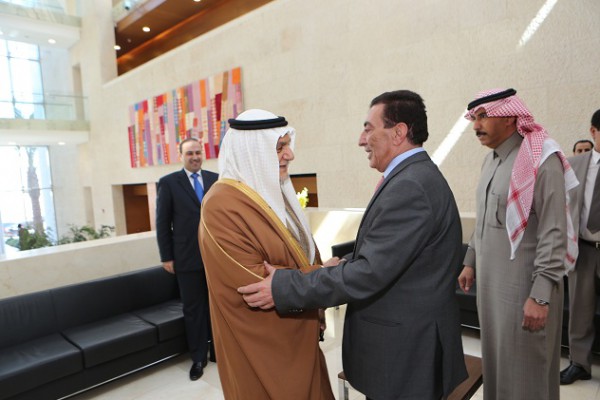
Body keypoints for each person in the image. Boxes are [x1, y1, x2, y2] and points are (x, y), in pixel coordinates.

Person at [238, 91, 468, 400]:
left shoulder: (410, 186)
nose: (361, 140)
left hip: (406, 355)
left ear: (398, 132)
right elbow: (390, 254)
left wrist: (284, 287)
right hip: (409, 346)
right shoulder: (413, 176)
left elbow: (369, 273)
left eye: (368, 129)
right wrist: (343, 264)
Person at [198, 109, 335, 399]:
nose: (289, 155)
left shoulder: (271, 192)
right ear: (252, 151)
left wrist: (312, 278)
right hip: (265, 349)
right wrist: (322, 276)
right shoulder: (221, 205)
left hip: (299, 333)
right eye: (279, 147)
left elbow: (301, 253)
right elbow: (255, 285)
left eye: (288, 145)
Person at [457, 88, 578, 400]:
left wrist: (540, 296)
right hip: (490, 289)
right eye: (474, 118)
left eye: (483, 116)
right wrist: (470, 261)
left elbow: (554, 232)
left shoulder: (542, 160)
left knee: (527, 375)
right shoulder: (489, 162)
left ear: (510, 117)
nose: (476, 125)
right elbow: (484, 220)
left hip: (524, 290)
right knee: (497, 367)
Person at [155, 137, 218, 381]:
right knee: (194, 310)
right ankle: (199, 358)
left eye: (198, 152)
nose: (194, 157)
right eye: (189, 153)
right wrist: (167, 256)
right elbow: (162, 223)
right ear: (180, 156)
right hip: (186, 258)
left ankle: (218, 352)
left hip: (215, 257)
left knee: (217, 306)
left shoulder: (215, 179)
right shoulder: (169, 183)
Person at [561, 108, 600, 385]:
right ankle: (579, 363)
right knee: (579, 310)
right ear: (593, 131)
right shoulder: (574, 165)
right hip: (583, 249)